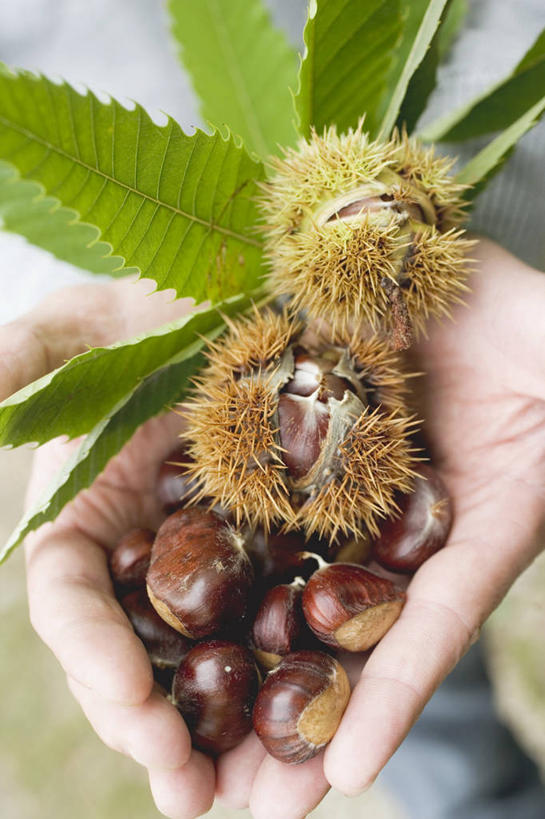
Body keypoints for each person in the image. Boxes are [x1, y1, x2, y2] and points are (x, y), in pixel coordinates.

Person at [1, 2, 544, 818]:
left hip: (382, 144)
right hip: (207, 240)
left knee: (414, 654)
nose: (318, 388)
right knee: (411, 691)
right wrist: (81, 307)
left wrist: (485, 208)